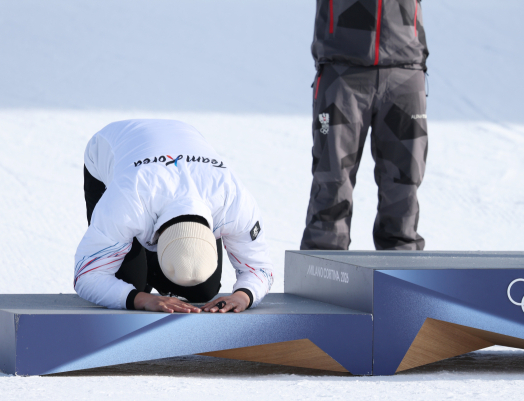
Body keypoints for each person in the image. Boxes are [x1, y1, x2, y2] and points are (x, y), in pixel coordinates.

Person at [74, 119, 274, 313]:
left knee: (201, 291)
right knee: (131, 284)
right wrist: (142, 300)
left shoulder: (233, 202)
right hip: (110, 146)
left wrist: (244, 296)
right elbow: (88, 274)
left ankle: (155, 264)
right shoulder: (125, 203)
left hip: (180, 138)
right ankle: (145, 265)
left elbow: (260, 267)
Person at [301, 0, 429, 251]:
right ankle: (323, 267)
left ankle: (402, 268)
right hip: (342, 68)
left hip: (405, 68)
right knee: (332, 179)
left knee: (404, 183)